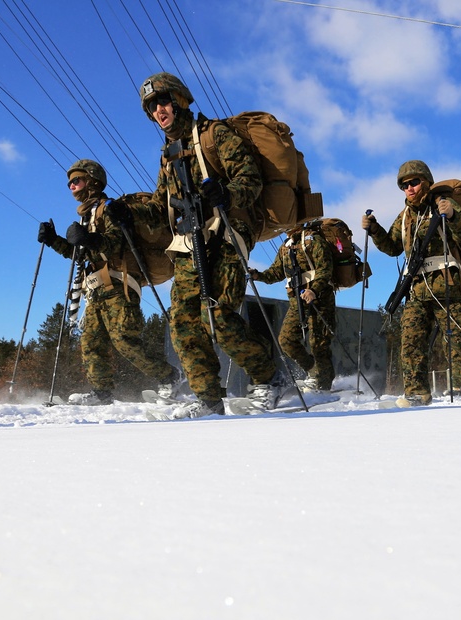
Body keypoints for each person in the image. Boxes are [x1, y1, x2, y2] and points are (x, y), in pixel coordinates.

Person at [130, 72, 281, 418]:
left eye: (163, 101)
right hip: (188, 241)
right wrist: (126, 212)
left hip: (226, 232)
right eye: (152, 106)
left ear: (180, 99)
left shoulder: (214, 135)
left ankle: (270, 379)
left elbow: (251, 180)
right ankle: (209, 399)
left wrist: (227, 193)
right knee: (182, 322)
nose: (158, 110)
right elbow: (158, 206)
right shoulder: (168, 155)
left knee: (218, 314)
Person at [37, 159, 179, 405]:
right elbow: (81, 256)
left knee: (125, 339)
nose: (71, 186)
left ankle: (169, 377)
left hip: (120, 284)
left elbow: (115, 242)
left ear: (92, 181)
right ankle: (102, 394)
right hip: (96, 289)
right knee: (91, 343)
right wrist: (54, 241)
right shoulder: (86, 217)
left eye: (76, 180)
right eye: (69, 183)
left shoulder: (110, 208)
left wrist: (89, 240)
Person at [362, 160, 461, 407]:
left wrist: (453, 214)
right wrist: (374, 230)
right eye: (404, 185)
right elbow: (393, 247)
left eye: (414, 182)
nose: (409, 189)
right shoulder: (404, 216)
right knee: (411, 341)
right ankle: (417, 393)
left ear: (426, 181)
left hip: (447, 282)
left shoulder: (441, 205)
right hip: (416, 285)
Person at [249, 226, 336, 392]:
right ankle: (313, 371)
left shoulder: (313, 240)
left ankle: (324, 387)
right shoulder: (285, 246)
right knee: (286, 340)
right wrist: (257, 275)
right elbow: (276, 272)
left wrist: (314, 290)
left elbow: (326, 269)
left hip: (321, 299)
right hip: (298, 301)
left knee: (319, 344)